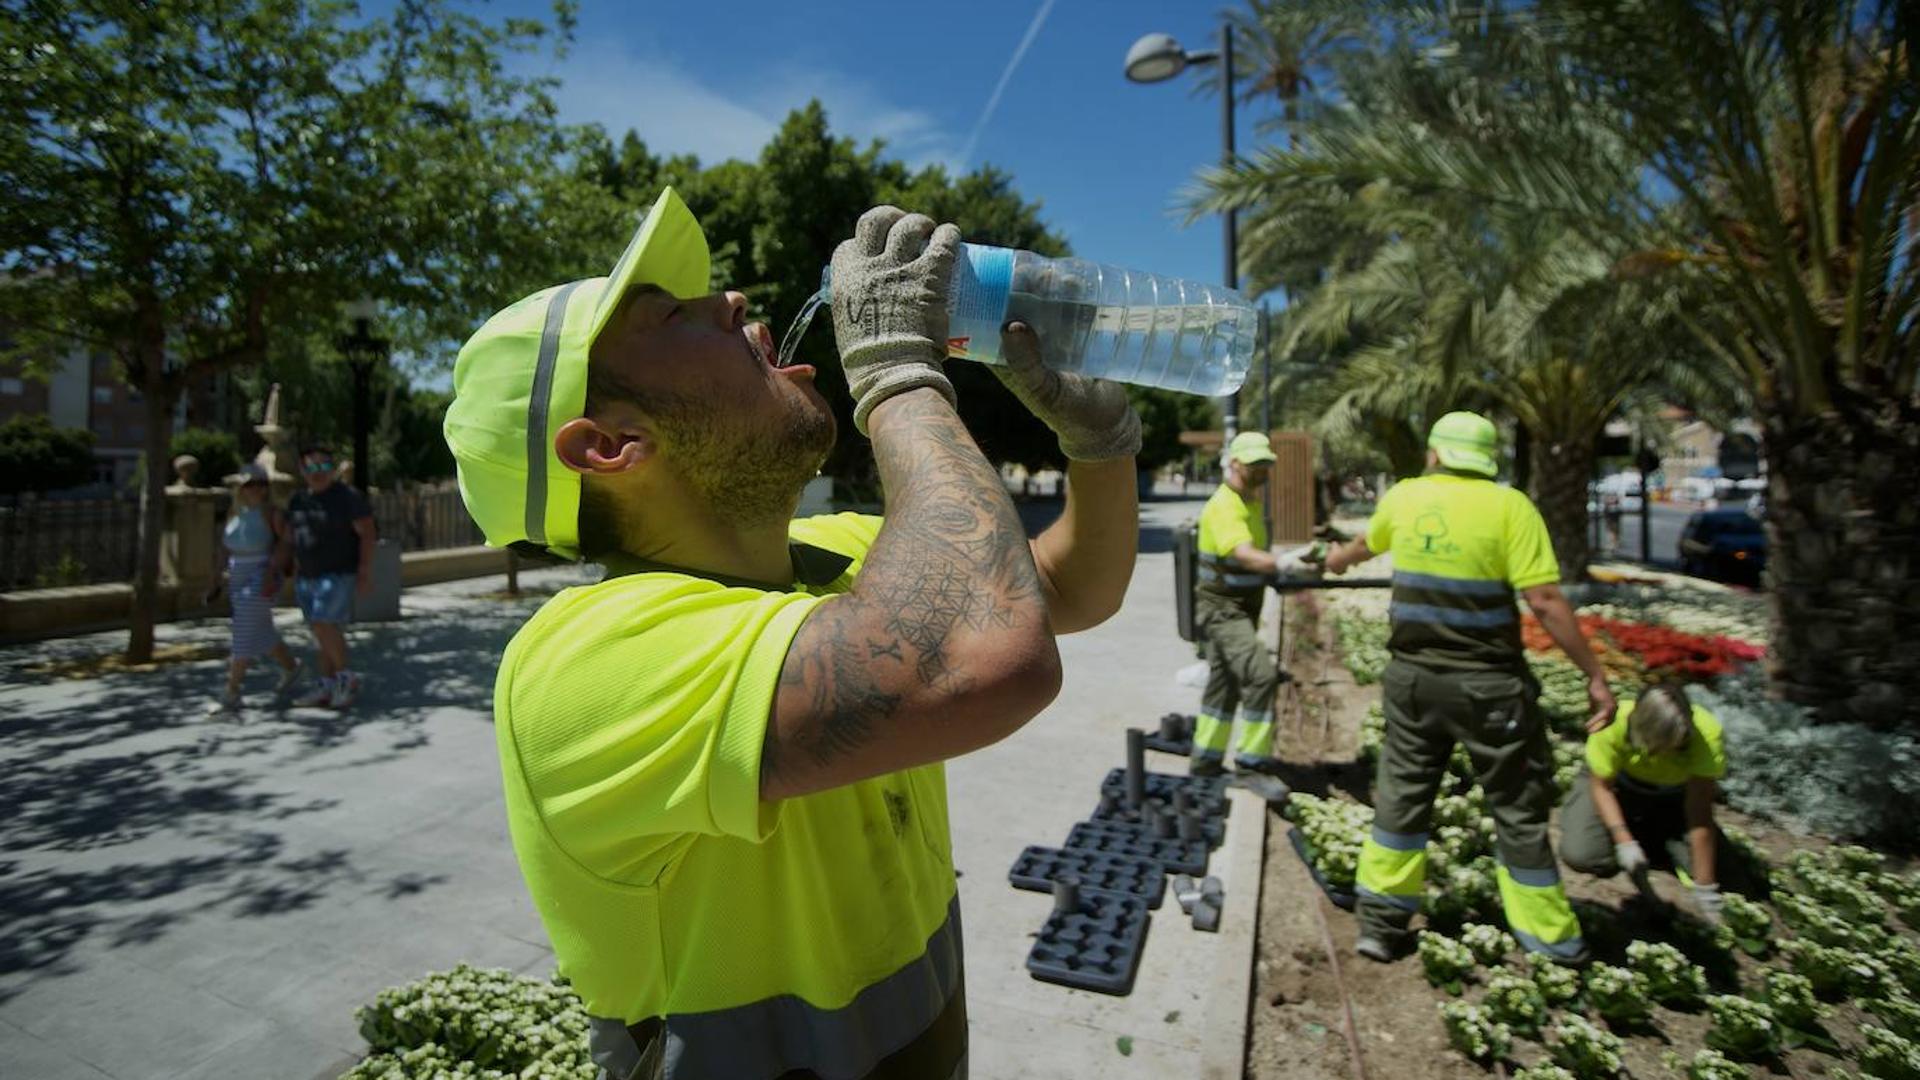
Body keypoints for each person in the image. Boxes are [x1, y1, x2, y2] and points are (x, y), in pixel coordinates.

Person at [443, 189, 1140, 1079]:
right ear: (610, 444)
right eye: (672, 316)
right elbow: (991, 656)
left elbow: (1064, 588)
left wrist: (1101, 440)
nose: (734, 302)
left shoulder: (835, 556)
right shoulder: (584, 657)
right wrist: (894, 373)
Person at [1323, 411, 1617, 964]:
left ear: (1434, 454)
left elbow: (1365, 543)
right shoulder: (1511, 508)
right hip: (1489, 689)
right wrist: (1595, 676)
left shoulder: (1405, 497)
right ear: (1486, 461)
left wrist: (1335, 559)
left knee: (1403, 798)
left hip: (1412, 683)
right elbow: (1546, 602)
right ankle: (1549, 938)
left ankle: (1381, 924)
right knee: (1516, 805)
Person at [1558, 683, 1730, 921]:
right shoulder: (1613, 722)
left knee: (1718, 870)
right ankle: (1637, 836)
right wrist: (1624, 842)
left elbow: (1699, 811)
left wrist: (1706, 889)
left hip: (1672, 797)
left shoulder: (1705, 734)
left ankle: (1654, 839)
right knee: (1582, 854)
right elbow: (1602, 788)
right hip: (1619, 788)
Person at [1188, 432, 1290, 778]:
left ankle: (1205, 762)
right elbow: (1243, 554)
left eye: (1266, 464)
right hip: (1222, 609)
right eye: (1255, 464)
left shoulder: (1251, 502)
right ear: (1234, 463)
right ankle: (1251, 764)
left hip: (1242, 607)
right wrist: (1284, 564)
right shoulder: (1225, 505)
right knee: (1261, 676)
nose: (1262, 470)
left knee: (1225, 683)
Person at [206, 464, 302, 714]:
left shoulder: (272, 513)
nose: (255, 489)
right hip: (238, 573)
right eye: (249, 484)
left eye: (260, 484)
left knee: (243, 630)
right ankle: (291, 667)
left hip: (263, 572)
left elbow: (287, 541)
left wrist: (272, 571)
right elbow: (224, 548)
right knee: (259, 630)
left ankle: (231, 690)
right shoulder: (234, 513)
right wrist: (216, 578)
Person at [284, 445, 375, 708]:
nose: (318, 473)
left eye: (324, 467)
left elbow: (367, 534)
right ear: (302, 470)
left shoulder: (347, 497)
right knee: (321, 632)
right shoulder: (298, 500)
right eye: (311, 467)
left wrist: (364, 571)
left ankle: (346, 678)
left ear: (333, 470)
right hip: (307, 576)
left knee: (324, 624)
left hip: (338, 575)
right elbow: (290, 538)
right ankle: (326, 685)